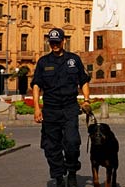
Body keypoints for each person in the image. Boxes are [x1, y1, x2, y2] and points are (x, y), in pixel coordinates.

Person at [32, 28, 92, 187]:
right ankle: (58, 176)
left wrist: (86, 100)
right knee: (51, 146)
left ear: (63, 41)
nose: (55, 45)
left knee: (72, 142)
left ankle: (72, 172)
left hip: (69, 107)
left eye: (57, 42)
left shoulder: (73, 59)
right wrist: (37, 108)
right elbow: (37, 85)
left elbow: (84, 81)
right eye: (52, 43)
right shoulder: (43, 62)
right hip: (50, 109)